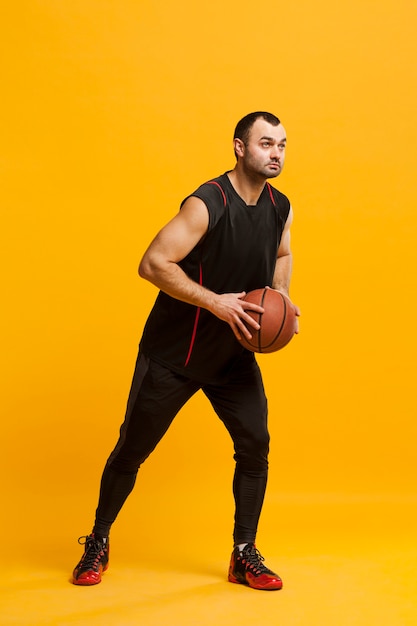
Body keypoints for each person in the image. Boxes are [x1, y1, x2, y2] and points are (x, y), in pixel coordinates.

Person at [72, 111, 300, 591]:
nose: (275, 153)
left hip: (233, 357)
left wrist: (279, 296)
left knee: (256, 445)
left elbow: (282, 254)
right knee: (132, 449)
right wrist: (214, 301)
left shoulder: (281, 207)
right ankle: (98, 539)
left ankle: (244, 554)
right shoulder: (207, 203)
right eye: (265, 143)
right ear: (239, 147)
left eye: (281, 144)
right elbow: (152, 263)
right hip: (175, 354)